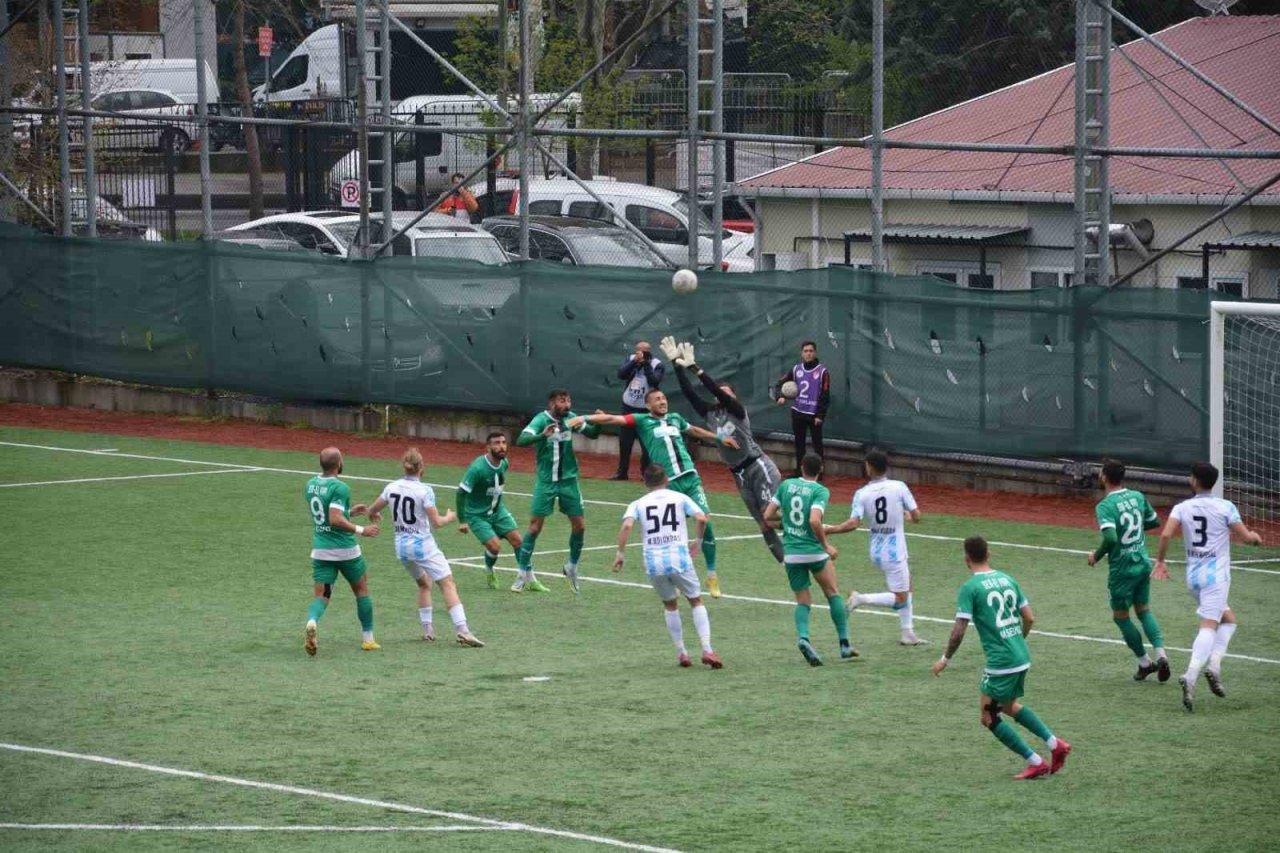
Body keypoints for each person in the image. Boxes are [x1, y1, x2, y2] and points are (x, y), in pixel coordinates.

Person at [932, 536, 1071, 780]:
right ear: (989, 554)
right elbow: (1029, 618)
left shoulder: (970, 588)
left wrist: (945, 658)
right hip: (1021, 655)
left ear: (967, 559)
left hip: (1002, 662)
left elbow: (959, 630)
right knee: (1007, 706)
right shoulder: (1008, 579)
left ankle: (1035, 761)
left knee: (988, 716)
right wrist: (1017, 641)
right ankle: (1054, 744)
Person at [584, 390, 738, 597]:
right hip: (669, 484)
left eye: (664, 398)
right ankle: (671, 573)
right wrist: (582, 417)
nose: (662, 401)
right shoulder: (642, 420)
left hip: (691, 478)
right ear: (648, 406)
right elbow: (612, 418)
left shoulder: (675, 419)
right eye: (657, 399)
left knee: (706, 522)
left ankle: (711, 575)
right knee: (670, 531)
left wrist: (719, 437)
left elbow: (693, 430)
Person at [659, 335, 785, 563]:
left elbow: (717, 391)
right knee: (763, 523)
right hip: (739, 475)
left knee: (772, 516)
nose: (724, 395)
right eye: (722, 393)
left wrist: (696, 368)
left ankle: (805, 525)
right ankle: (786, 562)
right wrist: (676, 365)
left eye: (728, 393)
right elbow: (689, 393)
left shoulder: (738, 411)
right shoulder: (710, 413)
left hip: (758, 466)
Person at [1154, 462, 1263, 712]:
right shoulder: (1225, 506)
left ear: (1194, 481)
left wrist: (1160, 561)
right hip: (1216, 578)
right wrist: (1255, 538)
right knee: (1209, 626)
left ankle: (1214, 666)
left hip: (1193, 577)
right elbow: (1246, 538)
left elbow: (1166, 535)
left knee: (1229, 620)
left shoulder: (1182, 507)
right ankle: (1191, 675)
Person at [367, 448, 484, 647]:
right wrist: (450, 516)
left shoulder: (391, 487)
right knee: (448, 584)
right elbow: (437, 522)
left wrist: (374, 515)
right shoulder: (424, 491)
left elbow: (373, 509)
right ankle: (463, 630)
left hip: (402, 548)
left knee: (423, 584)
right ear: (421, 468)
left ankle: (428, 630)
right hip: (422, 546)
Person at [612, 464, 723, 669]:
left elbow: (627, 525)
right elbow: (701, 518)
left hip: (653, 562)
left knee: (670, 605)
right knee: (696, 601)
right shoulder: (680, 498)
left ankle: (682, 653)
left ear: (644, 482)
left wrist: (620, 553)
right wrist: (698, 541)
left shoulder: (638, 503)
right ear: (667, 480)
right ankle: (707, 649)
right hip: (679, 558)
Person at [825, 448, 927, 646]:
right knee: (901, 599)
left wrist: (830, 530)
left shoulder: (862, 493)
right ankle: (860, 599)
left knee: (908, 586)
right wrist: (907, 516)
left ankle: (908, 633)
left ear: (869, 467)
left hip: (877, 550)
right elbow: (917, 516)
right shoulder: (899, 487)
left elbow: (853, 523)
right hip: (895, 552)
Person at [763, 453, 853, 666]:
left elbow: (767, 516)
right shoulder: (820, 490)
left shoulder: (787, 485)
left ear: (801, 467)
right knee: (832, 593)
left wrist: (786, 523)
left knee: (803, 601)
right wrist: (826, 546)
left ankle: (804, 638)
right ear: (820, 469)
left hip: (792, 553)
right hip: (814, 551)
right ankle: (844, 644)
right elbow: (814, 520)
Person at [1088, 459, 1168, 681]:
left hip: (1122, 569)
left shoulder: (1105, 506)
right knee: (1144, 611)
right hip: (1142, 562)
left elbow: (1111, 537)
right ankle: (1161, 655)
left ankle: (1145, 663)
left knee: (1121, 617)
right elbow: (1154, 522)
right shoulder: (1137, 496)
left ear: (1104, 476)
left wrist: (1096, 556)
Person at [515, 388, 602, 594]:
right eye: (562, 401)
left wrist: (597, 422)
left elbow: (592, 434)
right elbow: (521, 440)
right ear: (552, 404)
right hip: (546, 481)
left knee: (580, 526)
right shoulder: (540, 420)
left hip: (569, 481)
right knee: (535, 528)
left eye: (569, 400)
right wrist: (541, 435)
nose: (567, 404)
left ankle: (571, 566)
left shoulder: (572, 419)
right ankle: (522, 573)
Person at [303, 447, 381, 655]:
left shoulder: (310, 484)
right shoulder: (341, 487)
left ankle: (312, 622)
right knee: (361, 590)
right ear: (338, 463)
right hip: (346, 551)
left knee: (322, 595)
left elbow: (329, 515)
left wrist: (350, 512)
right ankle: (368, 639)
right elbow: (334, 519)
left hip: (321, 550)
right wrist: (362, 529)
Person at [456, 432, 542, 592]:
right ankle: (489, 571)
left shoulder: (504, 463)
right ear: (488, 447)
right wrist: (462, 520)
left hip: (498, 511)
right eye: (496, 443)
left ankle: (531, 580)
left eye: (503, 442)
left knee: (518, 541)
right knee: (495, 548)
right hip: (477, 515)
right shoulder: (477, 469)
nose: (501, 446)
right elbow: (461, 492)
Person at [610, 340, 665, 481]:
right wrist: (634, 362)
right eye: (638, 351)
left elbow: (654, 382)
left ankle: (645, 473)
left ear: (649, 352)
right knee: (624, 441)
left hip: (646, 410)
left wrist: (646, 364)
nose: (641, 354)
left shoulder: (657, 364)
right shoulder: (631, 359)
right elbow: (621, 374)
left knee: (646, 443)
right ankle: (622, 472)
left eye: (644, 352)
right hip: (629, 406)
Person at [775, 340, 830, 476]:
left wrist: (820, 415)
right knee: (799, 444)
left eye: (811, 351)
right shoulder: (796, 369)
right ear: (801, 353)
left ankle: (819, 472)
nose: (808, 353)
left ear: (815, 352)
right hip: (798, 412)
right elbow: (779, 384)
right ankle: (800, 471)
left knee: (817, 445)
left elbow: (825, 395)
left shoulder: (823, 372)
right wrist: (780, 396)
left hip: (813, 414)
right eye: (805, 351)